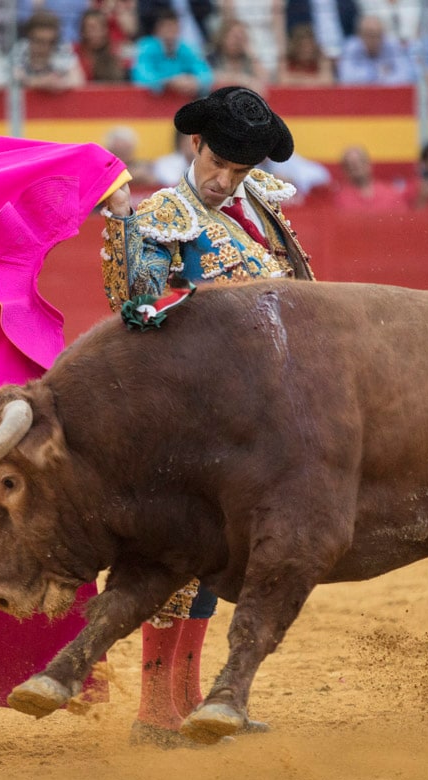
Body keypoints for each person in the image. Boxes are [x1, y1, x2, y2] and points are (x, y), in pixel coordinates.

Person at [100, 87, 313, 746]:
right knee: (173, 559)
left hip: (249, 423)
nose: (224, 181)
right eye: (217, 164)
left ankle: (188, 700)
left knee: (214, 561)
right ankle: (153, 709)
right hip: (184, 419)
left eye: (238, 171)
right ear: (195, 145)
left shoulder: (262, 207)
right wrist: (118, 222)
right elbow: (134, 307)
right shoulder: (164, 212)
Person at [130, 8, 214, 97]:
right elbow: (140, 76)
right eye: (166, 27)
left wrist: (195, 82)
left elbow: (206, 73)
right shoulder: (146, 47)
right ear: (157, 30)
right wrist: (168, 82)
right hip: (152, 105)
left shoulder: (187, 48)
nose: (170, 32)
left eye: (173, 27)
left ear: (179, 29)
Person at [13, 10, 84, 91]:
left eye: (51, 42)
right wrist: (40, 82)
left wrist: (60, 83)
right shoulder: (19, 49)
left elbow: (78, 80)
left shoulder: (61, 49)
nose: (45, 47)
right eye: (39, 41)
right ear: (29, 37)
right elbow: (12, 77)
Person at [337, 14, 416, 84]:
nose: (374, 39)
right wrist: (378, 74)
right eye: (369, 35)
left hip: (388, 96)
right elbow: (345, 78)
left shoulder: (392, 45)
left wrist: (371, 79)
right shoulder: (351, 47)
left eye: (378, 35)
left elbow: (405, 76)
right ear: (360, 35)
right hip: (359, 97)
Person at [208, 17, 271, 93]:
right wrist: (243, 80)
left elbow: (265, 81)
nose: (238, 41)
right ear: (223, 37)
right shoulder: (213, 58)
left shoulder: (248, 60)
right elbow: (209, 77)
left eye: (242, 37)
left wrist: (251, 54)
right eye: (235, 37)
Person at [335, 144, 405, 211]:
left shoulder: (390, 194)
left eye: (360, 162)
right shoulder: (340, 199)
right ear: (344, 170)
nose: (356, 167)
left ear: (368, 164)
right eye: (350, 165)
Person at [73, 8, 128, 83]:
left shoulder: (116, 53)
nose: (97, 33)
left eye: (102, 27)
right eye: (92, 28)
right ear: (83, 31)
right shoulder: (73, 52)